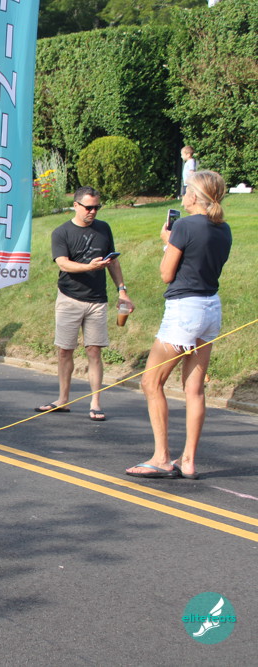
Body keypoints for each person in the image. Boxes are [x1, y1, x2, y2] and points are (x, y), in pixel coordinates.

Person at [126, 171, 232, 480]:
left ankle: (161, 457)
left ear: (195, 196)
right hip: (211, 308)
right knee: (194, 389)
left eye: (186, 190)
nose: (183, 195)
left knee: (151, 382)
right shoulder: (223, 228)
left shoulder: (184, 226)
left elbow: (166, 274)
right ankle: (188, 461)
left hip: (185, 309)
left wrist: (168, 243)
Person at [37, 186, 134, 421]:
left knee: (94, 350)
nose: (93, 212)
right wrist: (89, 267)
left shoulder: (104, 229)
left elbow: (113, 262)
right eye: (88, 207)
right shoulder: (62, 232)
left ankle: (96, 403)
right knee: (64, 350)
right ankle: (63, 399)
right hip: (69, 298)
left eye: (96, 207)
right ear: (76, 205)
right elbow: (63, 263)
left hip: (97, 300)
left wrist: (122, 291)